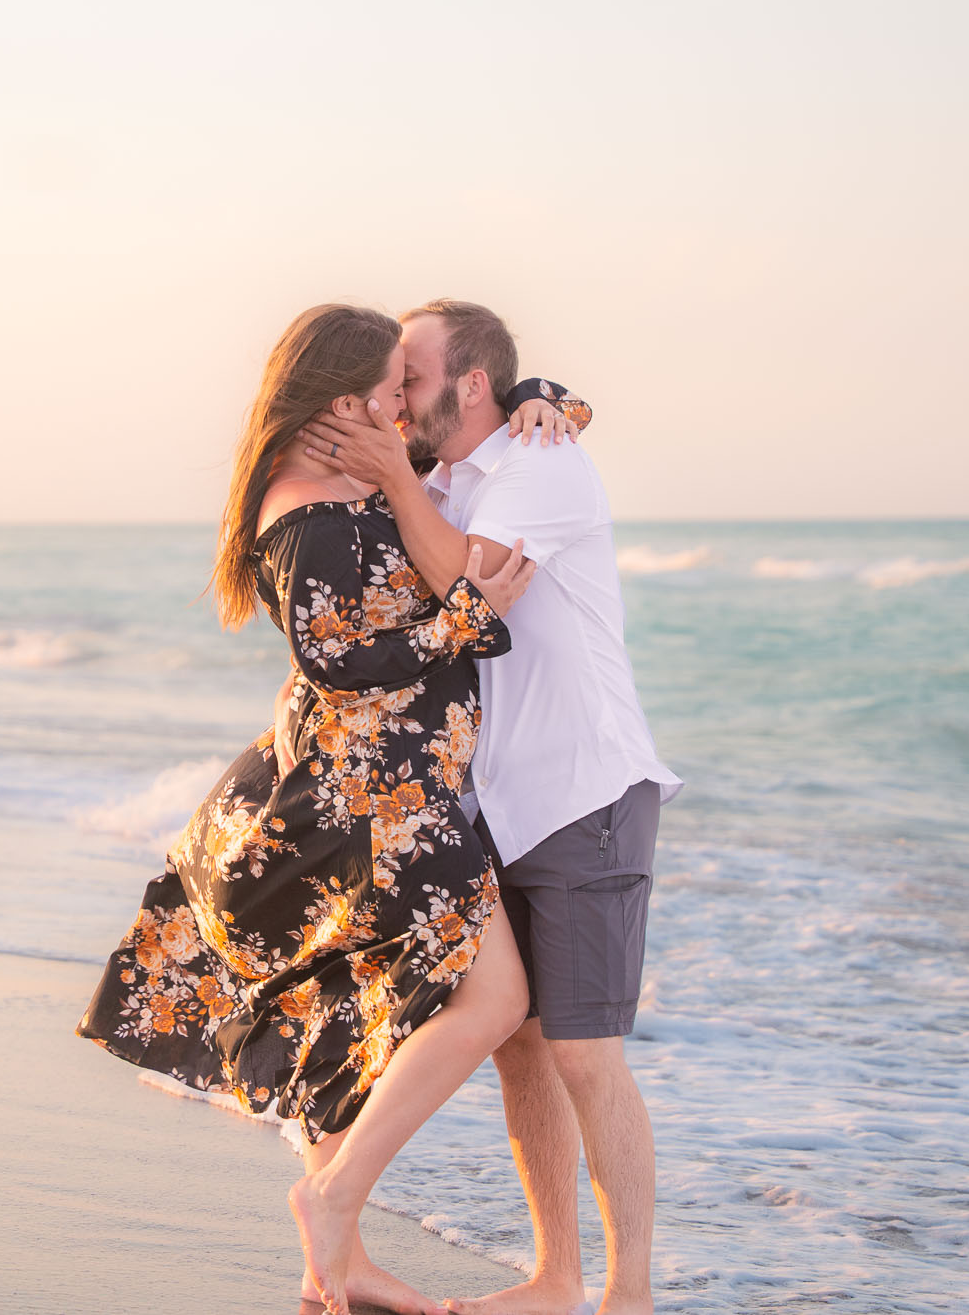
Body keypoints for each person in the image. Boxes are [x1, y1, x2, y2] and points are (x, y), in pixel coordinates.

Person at [77, 303, 582, 1315]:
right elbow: (334, 660)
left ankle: (333, 1266)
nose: (407, 396)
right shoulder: (306, 504)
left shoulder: (362, 471)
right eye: (394, 380)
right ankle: (333, 1200)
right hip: (373, 799)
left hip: (399, 787)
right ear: (343, 392)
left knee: (366, 1014)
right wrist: (465, 624)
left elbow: (472, 416)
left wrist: (540, 398)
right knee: (492, 1002)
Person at [303, 300, 683, 1315]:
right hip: (491, 804)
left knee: (585, 1052)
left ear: (472, 386)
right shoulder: (449, 473)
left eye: (413, 375)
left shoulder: (540, 466)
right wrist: (529, 402)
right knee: (517, 1041)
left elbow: (474, 580)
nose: (396, 395)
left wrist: (535, 406)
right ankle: (553, 1278)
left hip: (581, 789)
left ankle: (627, 1296)